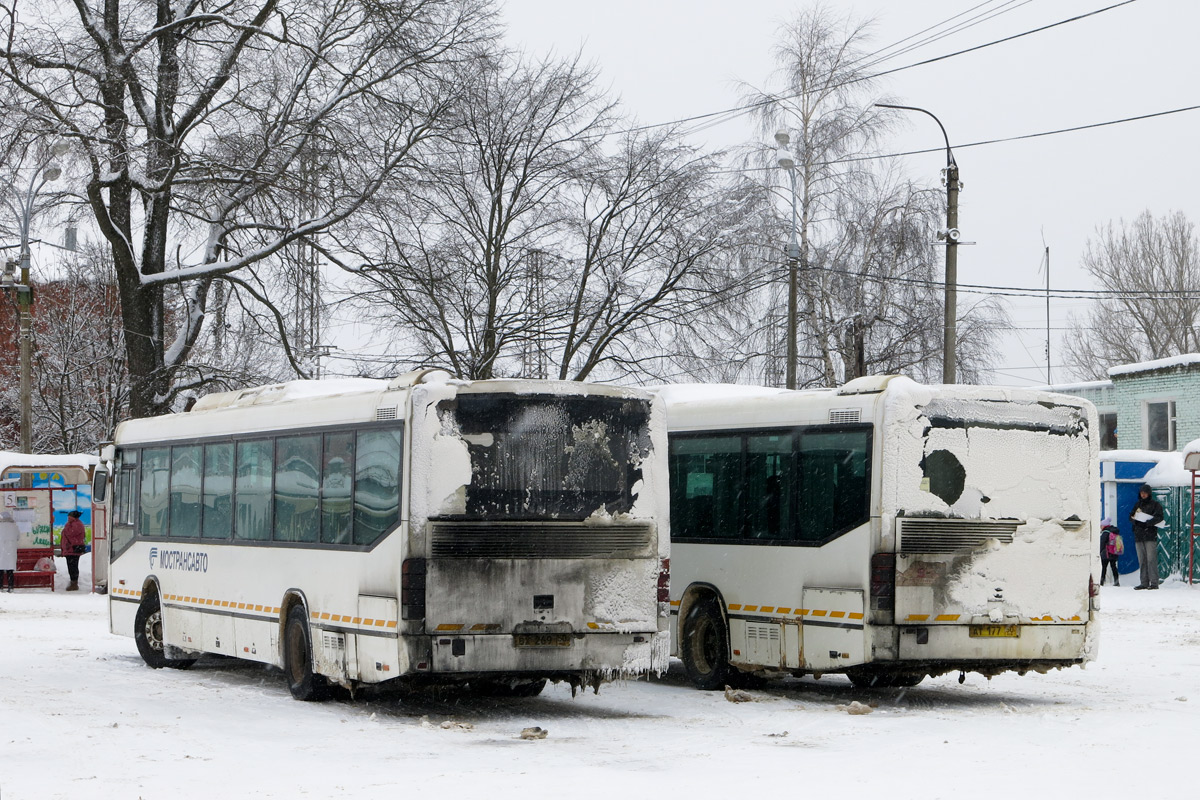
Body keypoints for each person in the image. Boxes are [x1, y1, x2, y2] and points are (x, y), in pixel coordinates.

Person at [1129, 483, 1163, 590]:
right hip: (1139, 536)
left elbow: (1159, 517)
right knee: (1142, 560)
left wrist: (1148, 523)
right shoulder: (1137, 504)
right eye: (1142, 493)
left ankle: (1154, 582)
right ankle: (1144, 582)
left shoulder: (1155, 505)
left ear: (1149, 494)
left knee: (1151, 559)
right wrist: (1136, 522)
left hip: (1150, 535)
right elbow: (1131, 516)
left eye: (1145, 493)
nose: (1143, 495)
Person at [60, 510, 87, 592]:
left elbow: (69, 533)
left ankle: (74, 583)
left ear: (73, 517)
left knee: (73, 567)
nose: (68, 519)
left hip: (73, 549)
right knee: (72, 566)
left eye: (69, 517)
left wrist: (66, 527)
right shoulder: (75, 524)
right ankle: (73, 582)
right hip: (70, 549)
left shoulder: (76, 525)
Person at [1099, 520, 1122, 587]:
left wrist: (1099, 551)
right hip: (1114, 552)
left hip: (1106, 553)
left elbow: (1102, 543)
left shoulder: (1105, 532)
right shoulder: (1115, 531)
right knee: (1113, 566)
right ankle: (1116, 581)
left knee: (1103, 567)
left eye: (1101, 525)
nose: (1100, 527)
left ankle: (1101, 581)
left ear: (1104, 525)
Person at [0, 510, 18, 592]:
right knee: (10, 569)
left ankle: (0, 586)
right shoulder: (14, 526)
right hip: (11, 550)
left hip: (1, 550)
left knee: (0, 569)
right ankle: (10, 586)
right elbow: (18, 537)